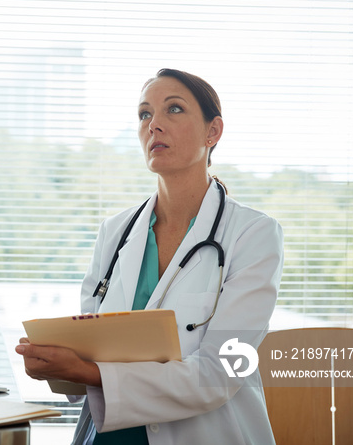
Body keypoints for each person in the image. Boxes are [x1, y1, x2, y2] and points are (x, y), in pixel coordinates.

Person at [15, 68, 284, 444]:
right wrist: (52, 363)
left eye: (173, 109)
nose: (154, 124)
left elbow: (218, 375)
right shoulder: (116, 231)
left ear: (213, 132)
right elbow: (84, 354)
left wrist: (89, 371)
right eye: (145, 114)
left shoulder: (253, 235)